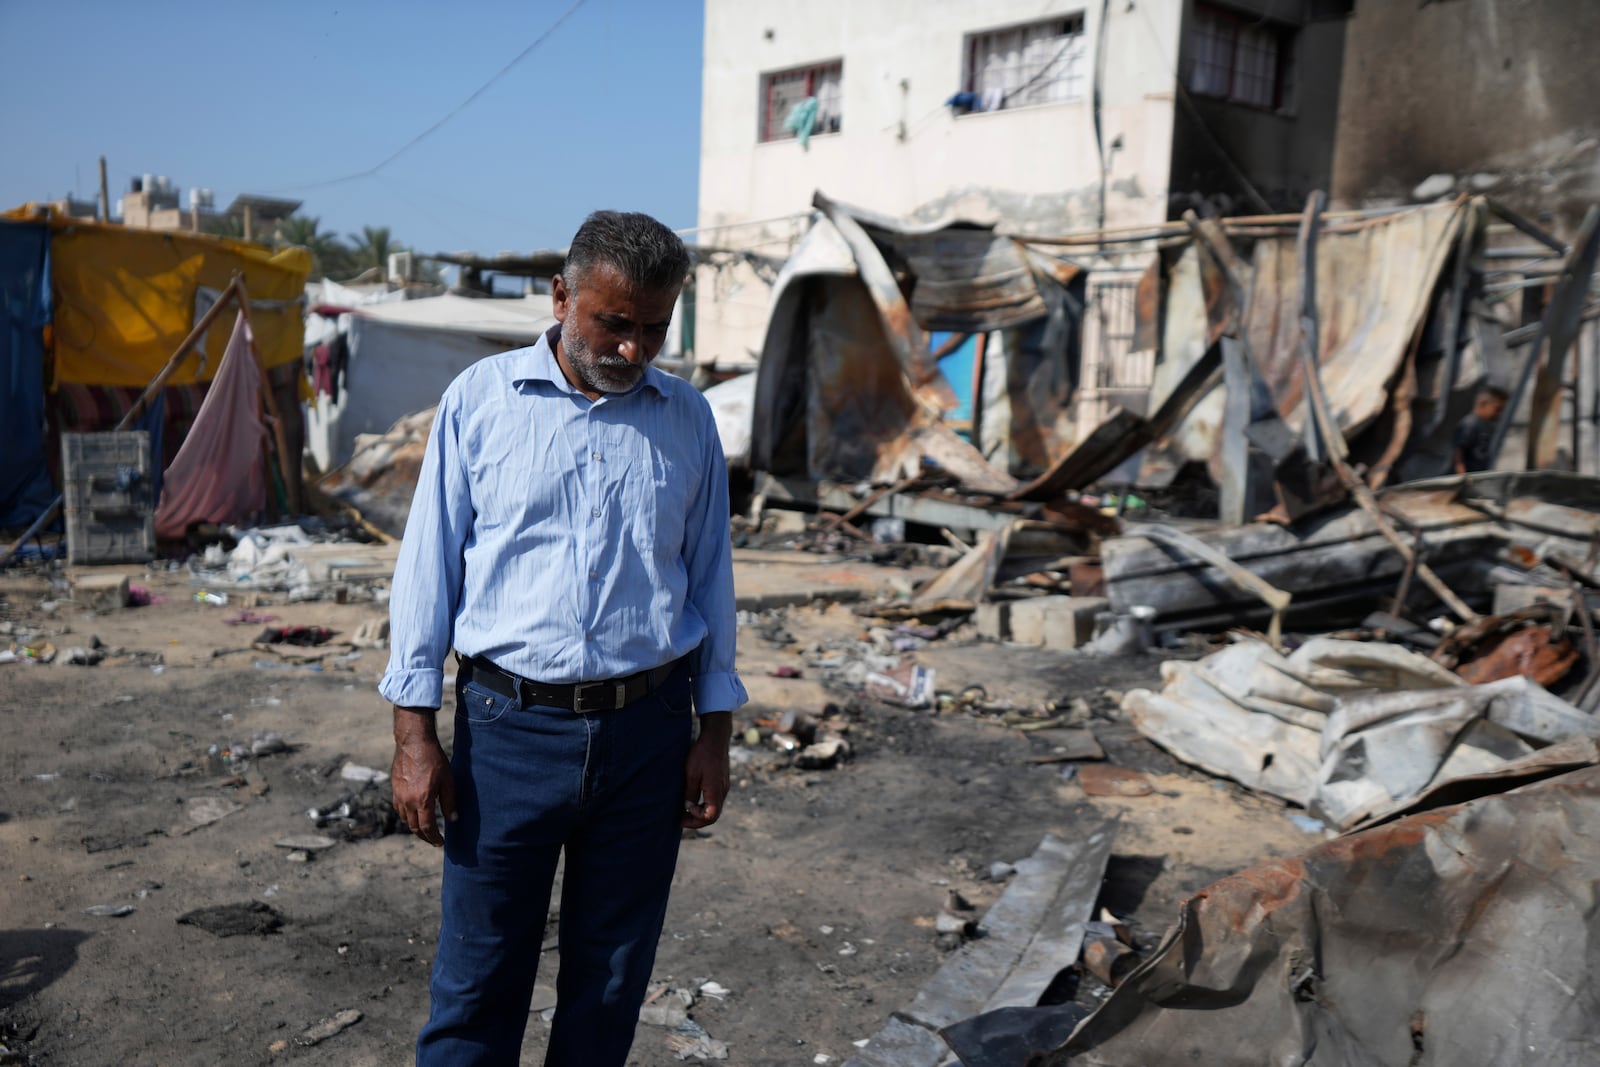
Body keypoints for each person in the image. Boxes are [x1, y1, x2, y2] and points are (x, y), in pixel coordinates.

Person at [379, 210, 747, 1066]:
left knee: (610, 983)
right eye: (613, 324)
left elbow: (711, 582)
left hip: (647, 735)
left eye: (654, 329)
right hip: (508, 736)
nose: (632, 350)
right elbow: (427, 570)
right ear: (560, 296)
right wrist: (413, 734)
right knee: (477, 986)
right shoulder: (480, 401)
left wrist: (714, 731)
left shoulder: (687, 419)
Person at [1452, 384, 1508, 474]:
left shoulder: (1485, 425)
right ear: (1483, 403)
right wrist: (1463, 478)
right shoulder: (1470, 424)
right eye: (1497, 409)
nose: (1499, 414)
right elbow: (1458, 455)